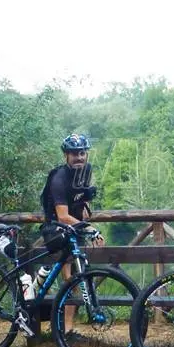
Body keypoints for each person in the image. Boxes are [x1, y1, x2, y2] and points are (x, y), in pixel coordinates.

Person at [40, 133, 104, 330]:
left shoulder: (85, 171)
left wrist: (84, 205)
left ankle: (64, 328)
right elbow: (62, 215)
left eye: (82, 153)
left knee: (78, 278)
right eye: (74, 154)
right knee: (69, 281)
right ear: (66, 156)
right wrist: (90, 228)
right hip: (57, 230)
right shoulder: (59, 177)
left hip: (75, 229)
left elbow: (81, 196)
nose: (79, 157)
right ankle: (65, 329)